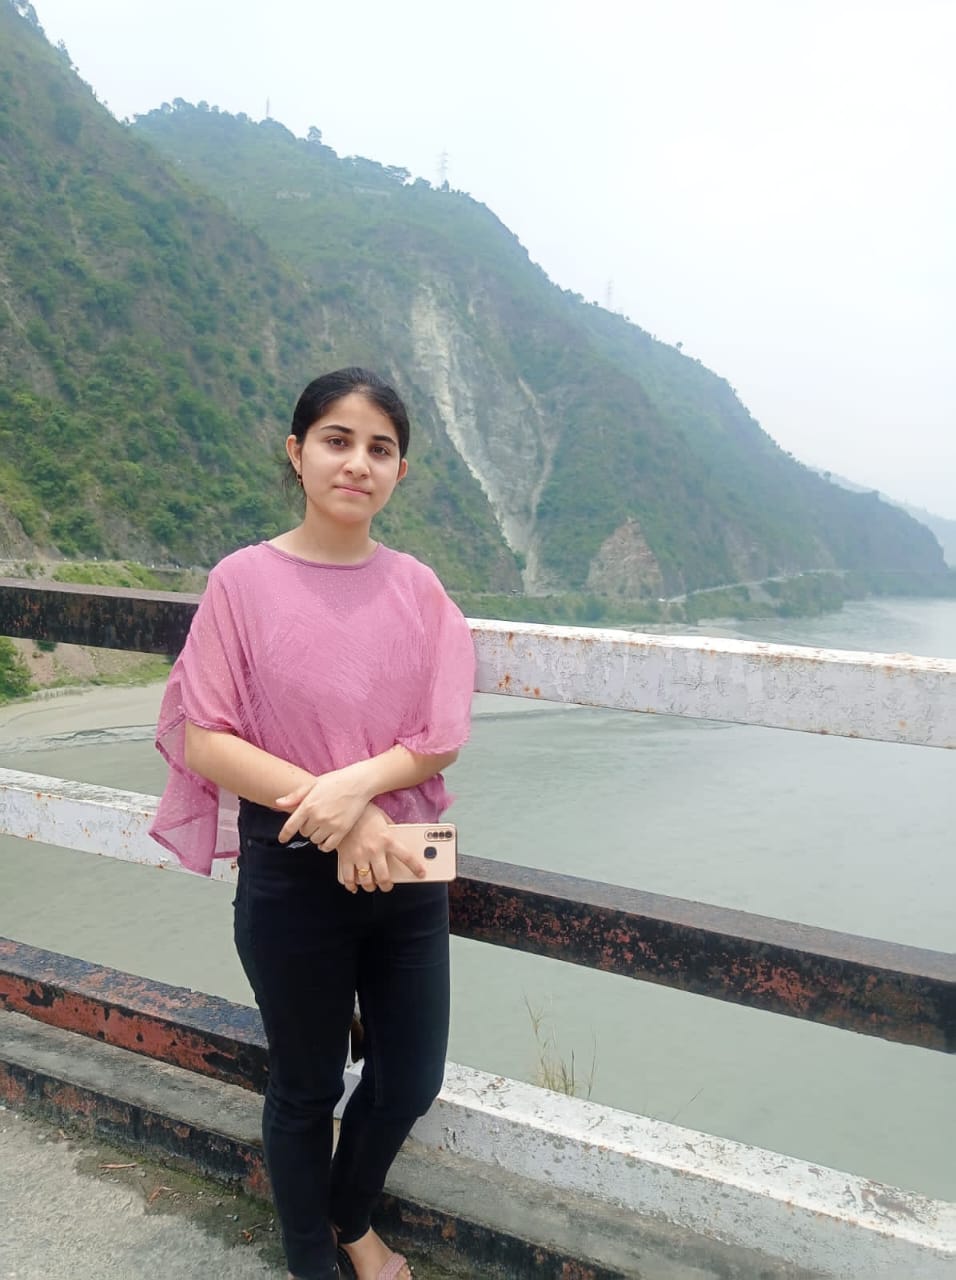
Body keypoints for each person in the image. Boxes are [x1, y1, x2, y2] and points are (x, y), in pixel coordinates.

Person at [149, 368, 476, 1280]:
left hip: (402, 869)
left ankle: (346, 1215)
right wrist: (336, 815)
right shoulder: (242, 582)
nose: (357, 463)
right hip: (291, 872)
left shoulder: (418, 589)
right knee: (304, 1085)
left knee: (409, 1079)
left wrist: (356, 796)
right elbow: (206, 738)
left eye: (381, 448)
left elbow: (441, 736)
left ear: (401, 471)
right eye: (337, 440)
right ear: (297, 454)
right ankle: (315, 1257)